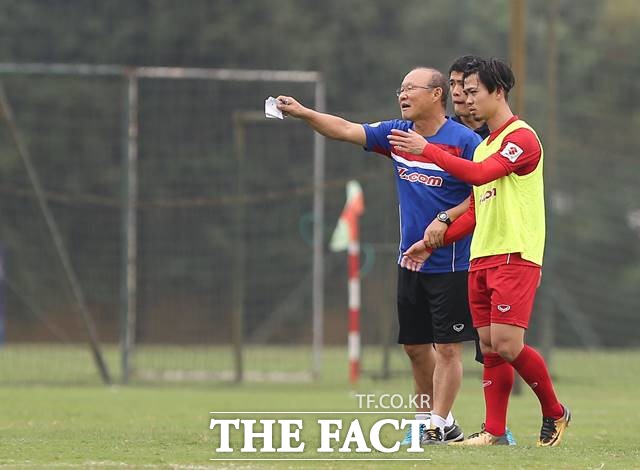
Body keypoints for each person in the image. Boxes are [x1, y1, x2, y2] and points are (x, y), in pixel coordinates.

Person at [276, 66, 481, 445]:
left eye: (410, 89)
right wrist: (304, 113)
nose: (402, 96)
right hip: (410, 261)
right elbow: (343, 128)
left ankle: (436, 425)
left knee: (448, 348)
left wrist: (444, 221)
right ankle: (434, 422)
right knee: (416, 348)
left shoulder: (465, 141)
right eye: (399, 89)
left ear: (436, 94)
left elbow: (482, 193)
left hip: (452, 263)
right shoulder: (396, 134)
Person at [387, 57, 571, 447]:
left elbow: (479, 176)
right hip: (482, 256)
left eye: (472, 92)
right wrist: (436, 238)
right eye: (461, 91)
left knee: (507, 343)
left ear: (497, 93)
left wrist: (428, 150)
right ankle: (494, 432)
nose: (464, 99)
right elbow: (476, 207)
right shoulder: (485, 144)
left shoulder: (521, 138)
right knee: (488, 347)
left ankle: (554, 411)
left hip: (515, 253)